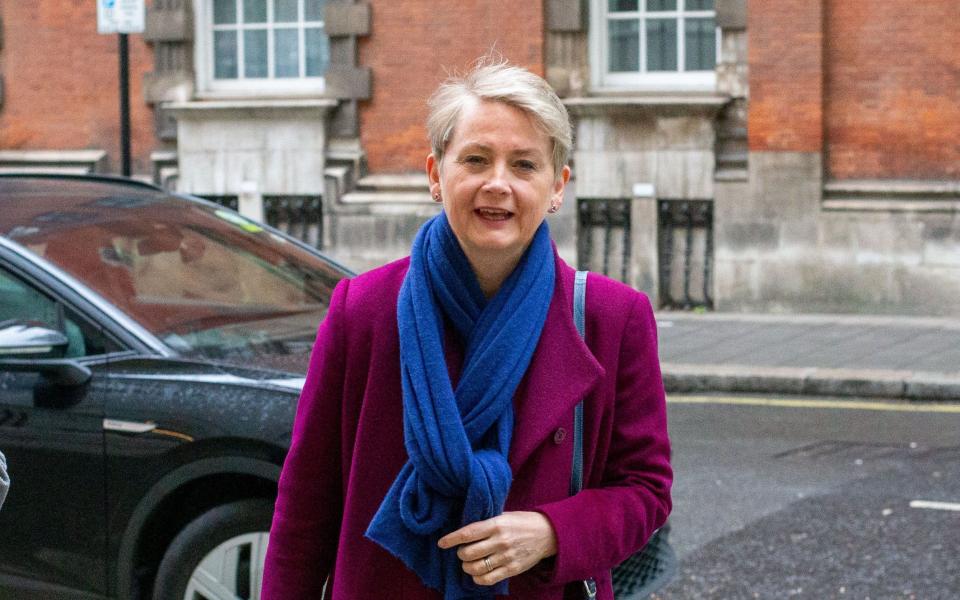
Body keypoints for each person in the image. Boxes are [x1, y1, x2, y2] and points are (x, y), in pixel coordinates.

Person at [261, 58, 672, 600]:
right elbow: (306, 505)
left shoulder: (611, 317)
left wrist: (552, 532)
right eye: (476, 159)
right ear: (436, 173)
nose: (497, 184)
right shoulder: (363, 309)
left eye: (524, 165)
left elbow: (644, 490)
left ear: (557, 186)